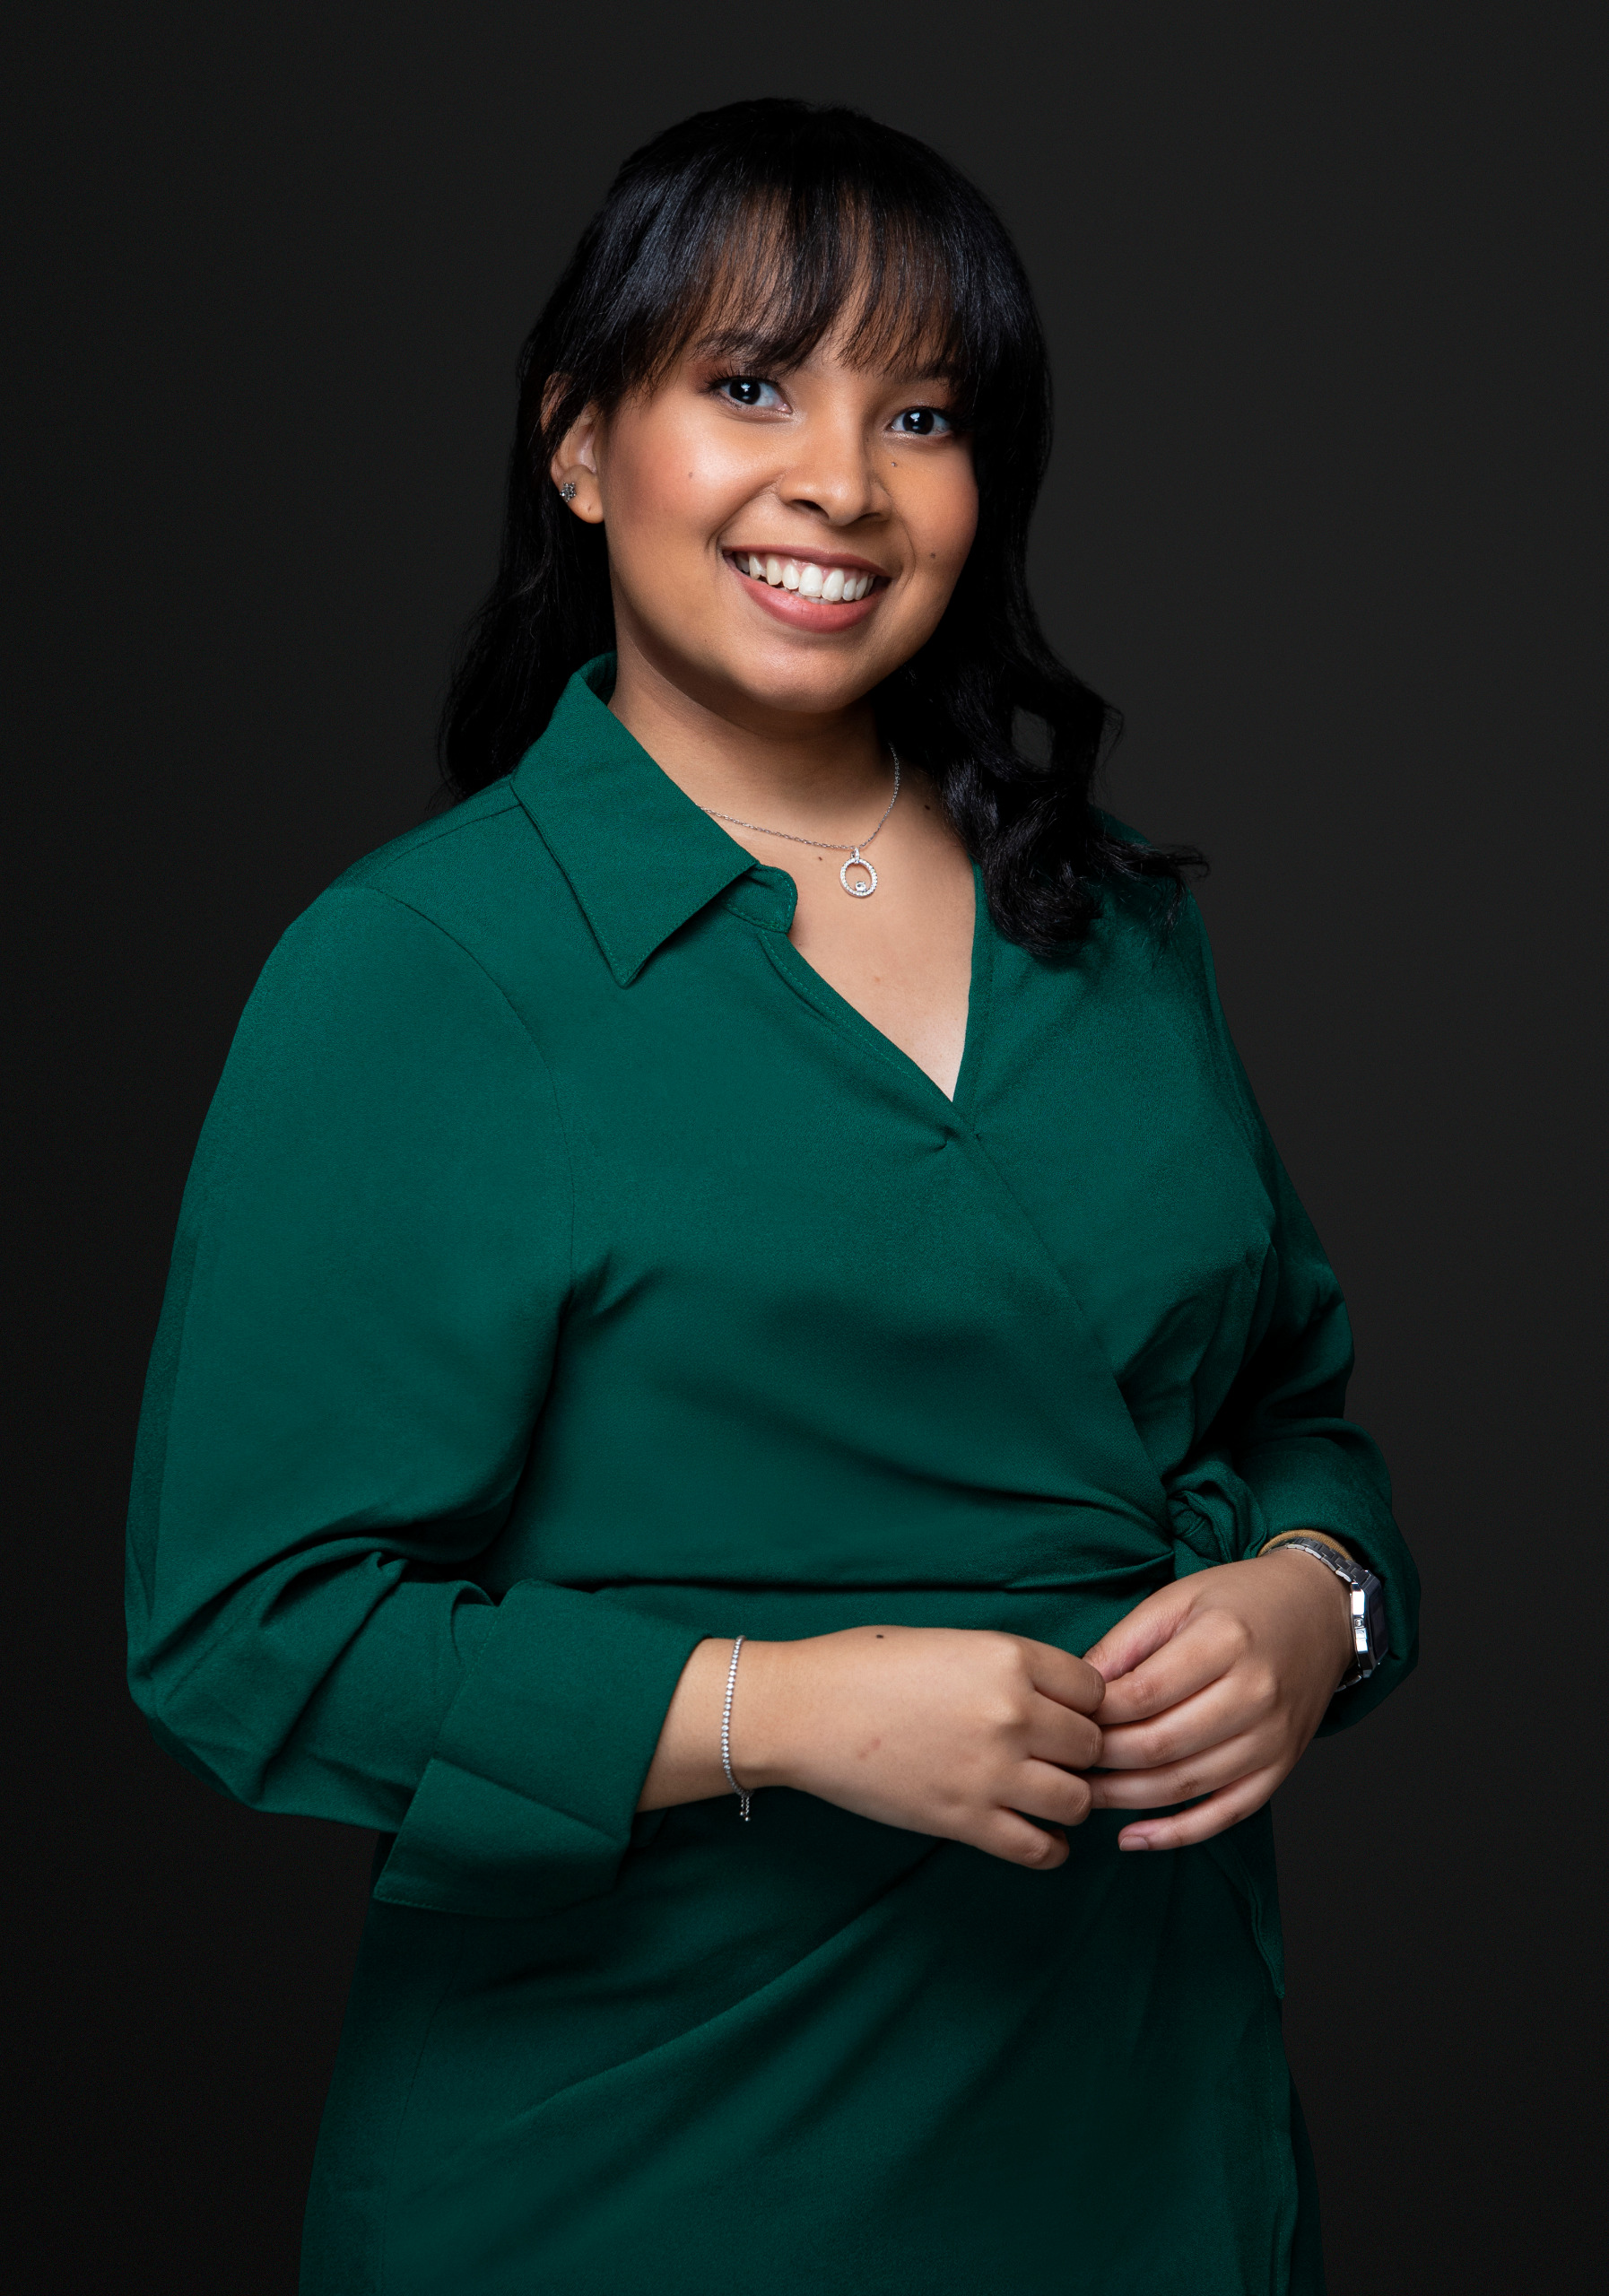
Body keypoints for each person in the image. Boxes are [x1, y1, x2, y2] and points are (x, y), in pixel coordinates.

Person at [126, 98, 1418, 2294]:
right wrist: (784, 1708)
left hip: (1150, 2140)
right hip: (656, 2168)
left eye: (918, 409)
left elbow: (1299, 1404)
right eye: (749, 384)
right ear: (578, 442)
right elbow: (245, 1631)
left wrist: (1324, 1604)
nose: (840, 476)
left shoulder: (1108, 932)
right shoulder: (426, 971)